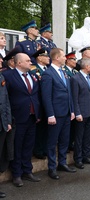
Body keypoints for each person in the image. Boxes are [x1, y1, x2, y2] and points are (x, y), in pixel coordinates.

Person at [3, 53, 41, 187]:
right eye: (27, 60)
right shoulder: (8, 76)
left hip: (32, 117)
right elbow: (5, 98)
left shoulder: (33, 76)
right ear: (19, 63)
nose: (30, 62)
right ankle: (17, 174)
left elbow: (36, 96)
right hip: (17, 118)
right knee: (17, 146)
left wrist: (38, 113)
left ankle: (27, 170)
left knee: (28, 145)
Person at [41, 48, 76, 180]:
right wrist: (50, 114)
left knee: (64, 140)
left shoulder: (63, 72)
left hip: (66, 112)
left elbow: (69, 94)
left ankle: (62, 163)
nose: (65, 58)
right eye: (63, 56)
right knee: (52, 142)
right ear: (56, 58)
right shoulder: (48, 74)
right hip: (55, 114)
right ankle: (51, 167)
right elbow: (46, 96)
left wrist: (72, 110)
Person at [71, 58, 90, 169]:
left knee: (88, 136)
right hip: (81, 113)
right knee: (79, 137)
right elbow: (74, 98)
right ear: (86, 66)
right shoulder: (75, 79)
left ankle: (86, 156)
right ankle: (78, 159)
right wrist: (77, 113)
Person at [31, 48, 50, 160]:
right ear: (39, 58)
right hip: (39, 102)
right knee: (39, 128)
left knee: (47, 128)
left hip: (48, 103)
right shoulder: (34, 69)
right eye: (46, 56)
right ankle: (38, 150)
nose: (48, 58)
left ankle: (44, 148)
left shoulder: (48, 69)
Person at [0, 54, 12, 198]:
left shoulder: (2, 77)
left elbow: (6, 101)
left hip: (2, 122)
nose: (2, 61)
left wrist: (8, 120)